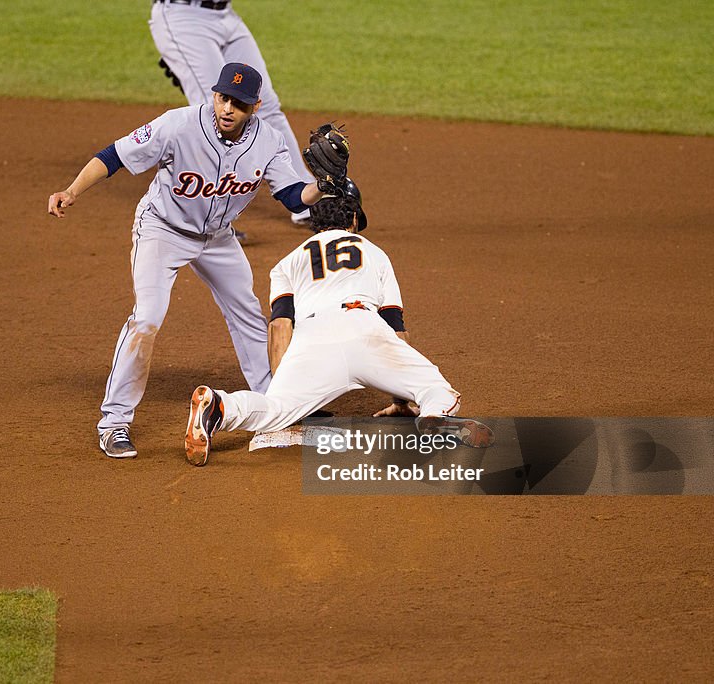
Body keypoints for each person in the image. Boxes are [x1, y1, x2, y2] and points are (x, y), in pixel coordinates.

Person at [48, 63, 328, 459]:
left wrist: (322, 187)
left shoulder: (269, 140)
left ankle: (275, 405)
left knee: (247, 312)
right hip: (162, 229)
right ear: (214, 94)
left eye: (239, 103)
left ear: (256, 106)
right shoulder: (177, 125)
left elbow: (293, 195)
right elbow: (114, 155)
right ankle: (113, 423)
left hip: (217, 238)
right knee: (147, 316)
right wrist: (71, 190)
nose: (228, 108)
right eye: (223, 98)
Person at [183, 184, 494, 466]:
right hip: (366, 328)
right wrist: (401, 397)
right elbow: (395, 326)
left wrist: (288, 385)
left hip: (313, 339)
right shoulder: (375, 253)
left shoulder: (286, 263)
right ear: (354, 222)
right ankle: (435, 416)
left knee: (275, 409)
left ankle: (219, 406)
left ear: (315, 224)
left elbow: (280, 326)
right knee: (435, 389)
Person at [149, 0, 316, 226]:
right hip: (183, 17)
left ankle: (305, 200)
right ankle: (204, 215)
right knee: (213, 114)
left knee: (264, 104)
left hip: (226, 16)